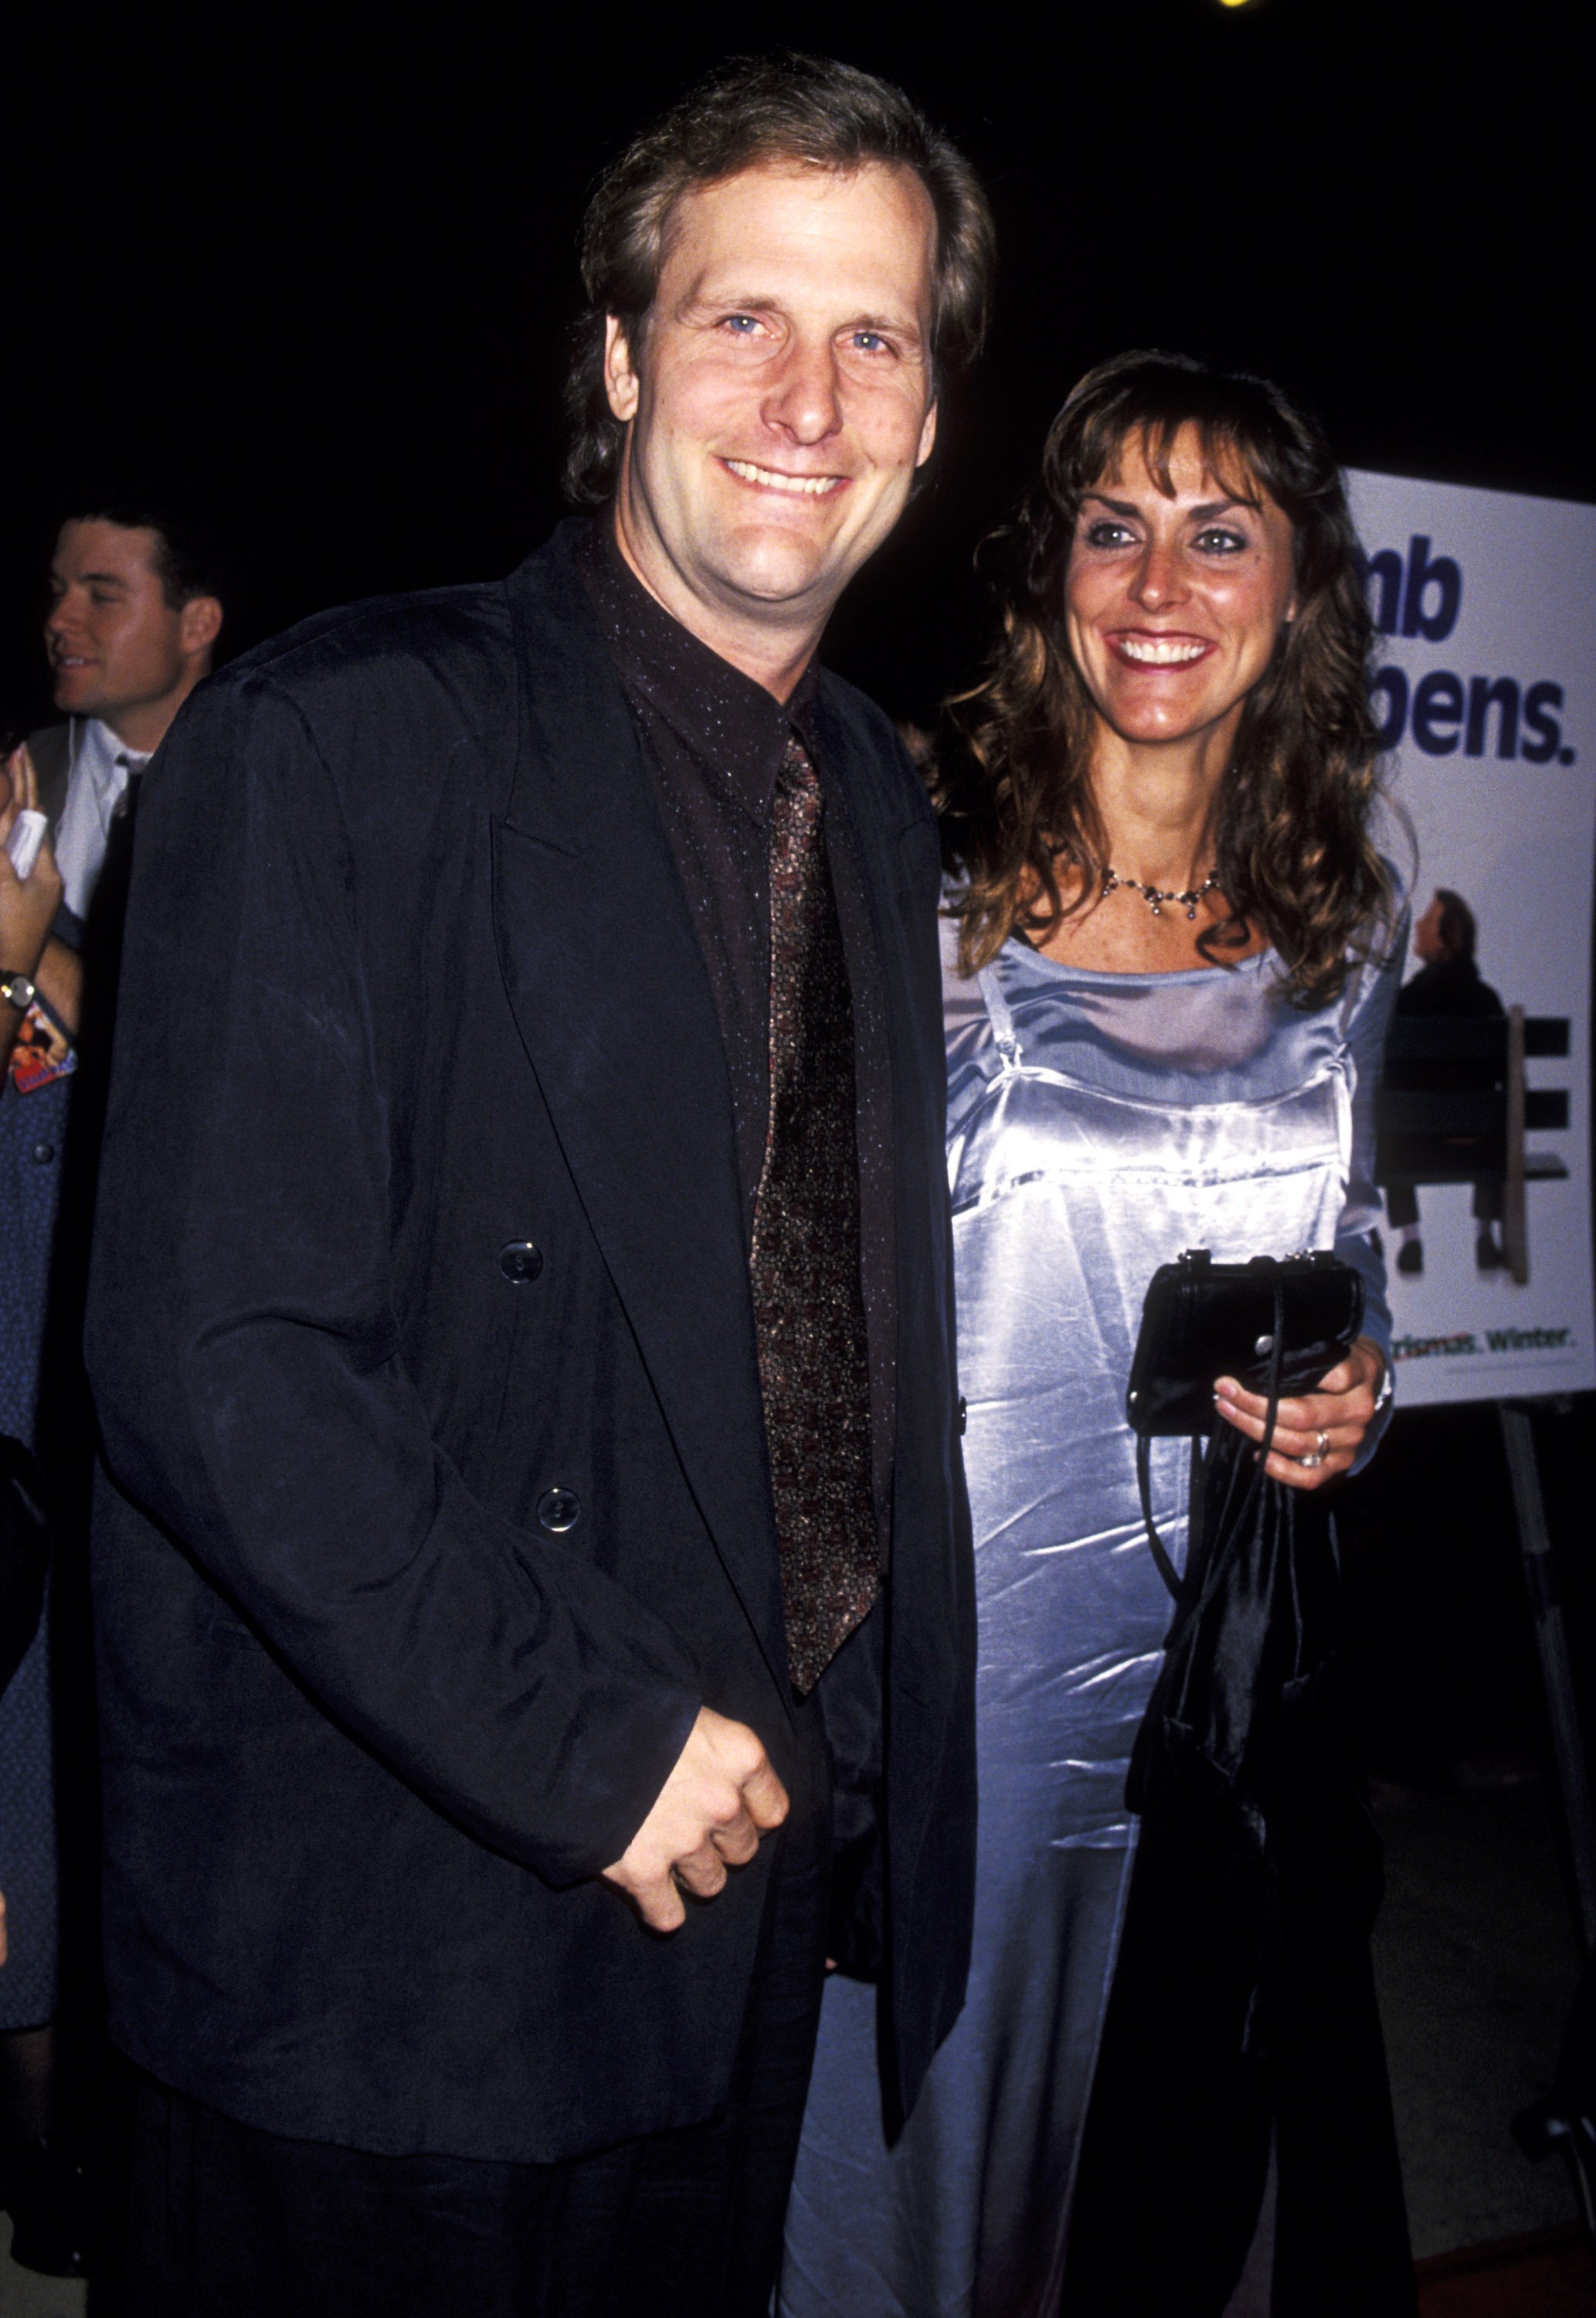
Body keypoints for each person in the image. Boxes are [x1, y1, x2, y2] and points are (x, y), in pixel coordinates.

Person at [83, 54, 991, 2318]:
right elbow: (216, 1364)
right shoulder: (338, 743)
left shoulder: (868, 787)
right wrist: (581, 1746)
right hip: (409, 1924)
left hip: (748, 1890)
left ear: (930, 408)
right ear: (615, 361)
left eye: (872, 332)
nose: (807, 393)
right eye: (738, 318)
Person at [781, 352, 1412, 2317]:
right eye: (1114, 525)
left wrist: (1356, 1395)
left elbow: (1355, 1249)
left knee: (1148, 2184)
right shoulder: (922, 887)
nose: (1160, 583)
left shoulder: (1345, 921)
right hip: (954, 1674)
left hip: (1213, 1684)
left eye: (1221, 535)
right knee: (900, 2201)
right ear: (1050, 563)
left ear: (1294, 591)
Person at [0, 500, 224, 2276]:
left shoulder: (253, 777)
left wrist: (33, 955)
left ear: (195, 618)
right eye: (58, 586)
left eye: (103, 589)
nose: (63, 618)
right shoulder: (24, 772)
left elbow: (199, 1074)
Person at [1383, 886, 1507, 1276]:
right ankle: (1485, 1232)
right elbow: (1503, 1078)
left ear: (1442, 938)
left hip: (1414, 1148)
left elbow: (1389, 1079)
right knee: (1495, 1114)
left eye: (1426, 921)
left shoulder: (1404, 1002)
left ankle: (1411, 1239)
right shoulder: (1488, 1002)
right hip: (1478, 1146)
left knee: (1390, 1116)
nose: (1418, 926)